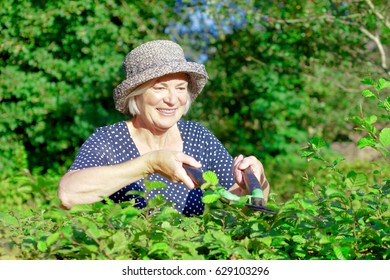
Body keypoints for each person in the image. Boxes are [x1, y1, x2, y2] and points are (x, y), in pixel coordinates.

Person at [58, 40, 270, 216]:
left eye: (180, 88)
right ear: (136, 95)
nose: (172, 99)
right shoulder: (110, 140)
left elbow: (243, 206)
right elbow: (68, 195)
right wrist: (151, 163)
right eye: (159, 88)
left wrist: (257, 181)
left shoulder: (197, 137)